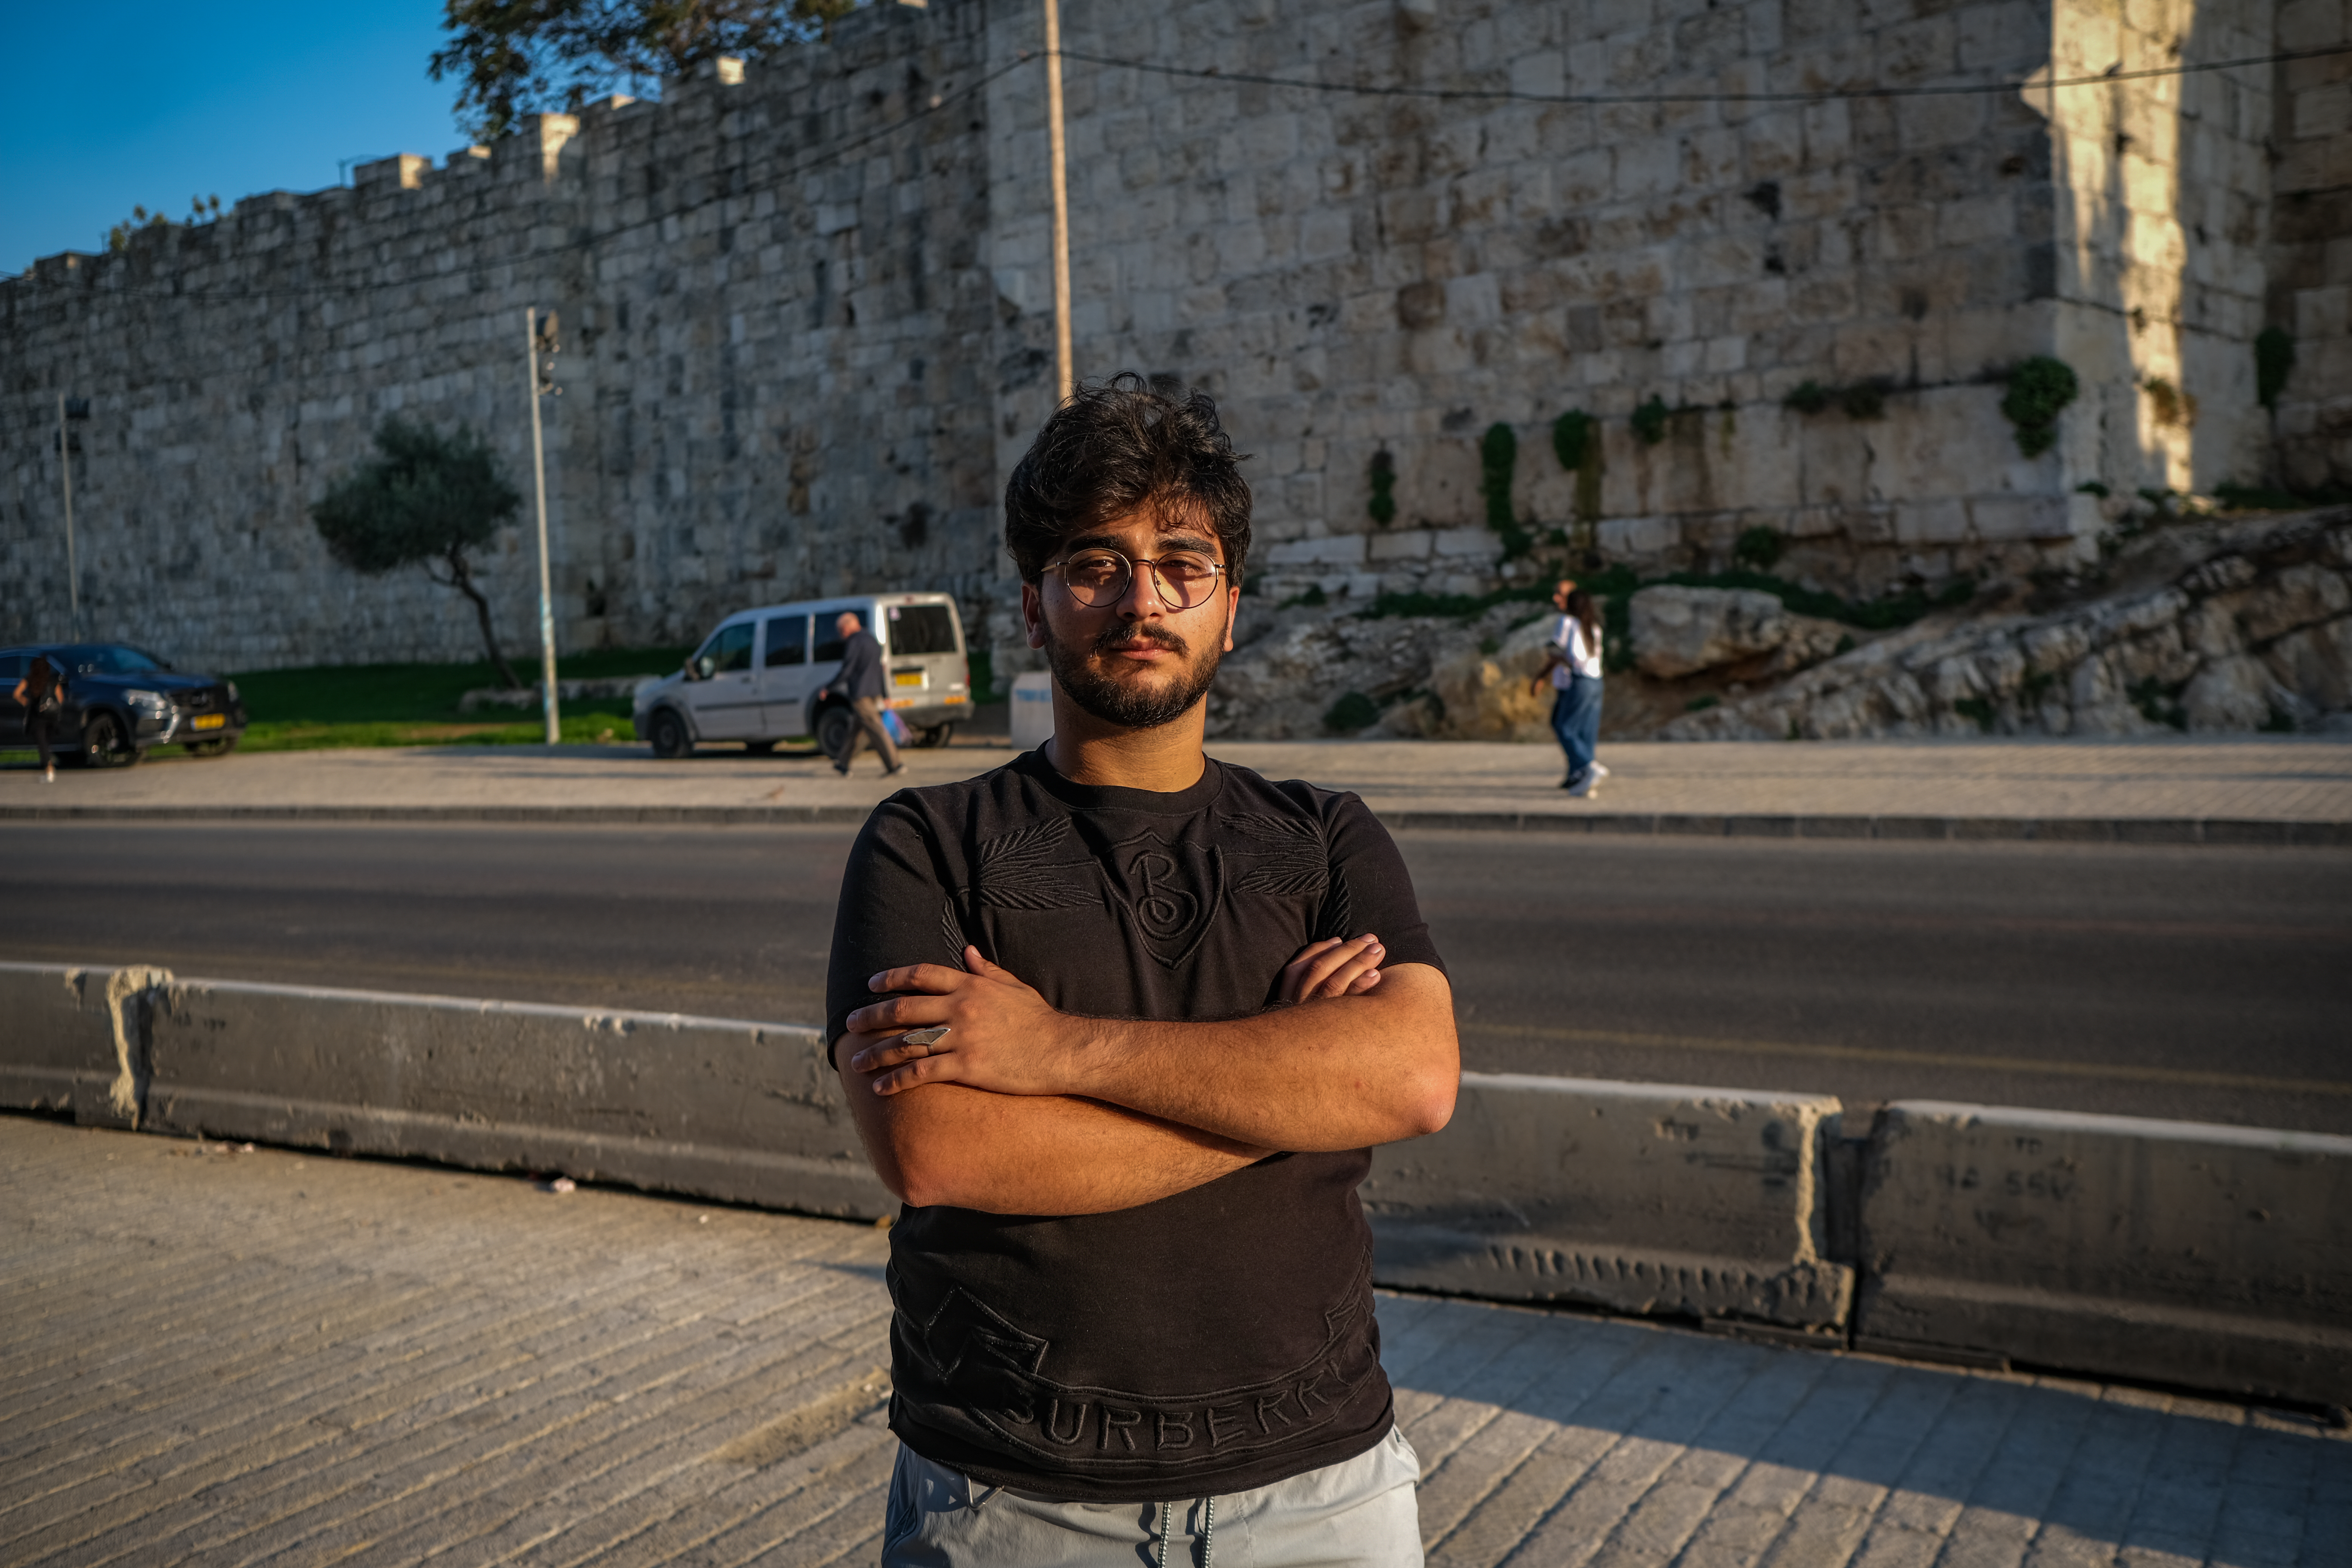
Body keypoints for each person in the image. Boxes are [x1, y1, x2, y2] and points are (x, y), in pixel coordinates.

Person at [825, 374, 1459, 1566]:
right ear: (1032, 605)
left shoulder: (1326, 835)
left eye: (1182, 564)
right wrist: (1297, 1094)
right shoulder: (925, 845)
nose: (1140, 599)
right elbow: (939, 1149)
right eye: (1094, 564)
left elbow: (1415, 1076)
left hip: (1324, 1498)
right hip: (1016, 1503)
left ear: (1231, 608)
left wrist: (1056, 1050)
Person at [1528, 579, 1608, 795]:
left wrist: (1541, 676)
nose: (1557, 599)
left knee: (1565, 727)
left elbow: (1561, 654)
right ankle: (1580, 776)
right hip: (1595, 681)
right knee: (1585, 731)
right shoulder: (1593, 627)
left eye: (1562, 595)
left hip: (1577, 681)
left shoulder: (1567, 622)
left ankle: (1587, 767)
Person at [820, 609, 905, 777]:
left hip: (861, 695)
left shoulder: (854, 642)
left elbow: (848, 670)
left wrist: (828, 688)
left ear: (848, 626)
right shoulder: (872, 640)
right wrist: (885, 694)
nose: (840, 634)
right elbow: (880, 670)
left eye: (841, 630)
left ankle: (895, 765)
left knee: (876, 729)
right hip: (873, 693)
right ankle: (843, 764)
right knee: (856, 730)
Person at [12, 652, 65, 784]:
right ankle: (49, 769)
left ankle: (49, 771)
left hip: (38, 717)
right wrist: (55, 708)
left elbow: (16, 694)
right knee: (47, 744)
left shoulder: (30, 679)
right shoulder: (53, 680)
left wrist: (26, 702)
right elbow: (60, 698)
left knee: (42, 745)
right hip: (52, 716)